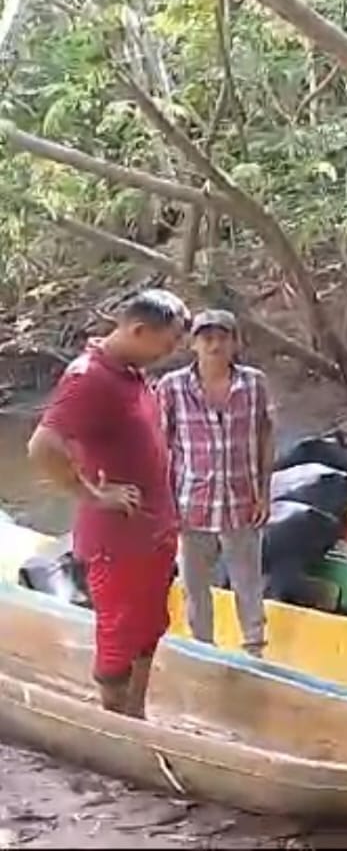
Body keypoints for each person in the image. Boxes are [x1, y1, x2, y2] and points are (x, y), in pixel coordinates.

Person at [27, 289, 190, 718]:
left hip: (154, 529)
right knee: (119, 632)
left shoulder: (130, 373)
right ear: (138, 330)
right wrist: (93, 495)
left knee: (150, 625)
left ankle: (136, 713)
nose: (171, 353)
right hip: (118, 539)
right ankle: (115, 722)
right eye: (168, 342)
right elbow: (43, 446)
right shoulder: (88, 378)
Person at [155, 309, 275, 659]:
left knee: (248, 581)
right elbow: (161, 446)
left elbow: (266, 436)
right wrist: (165, 502)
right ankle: (202, 649)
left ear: (235, 343)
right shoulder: (172, 387)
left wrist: (265, 493)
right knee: (195, 585)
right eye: (206, 337)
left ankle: (254, 647)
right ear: (193, 343)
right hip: (191, 502)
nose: (214, 344)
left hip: (243, 500)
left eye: (222, 337)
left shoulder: (254, 384)